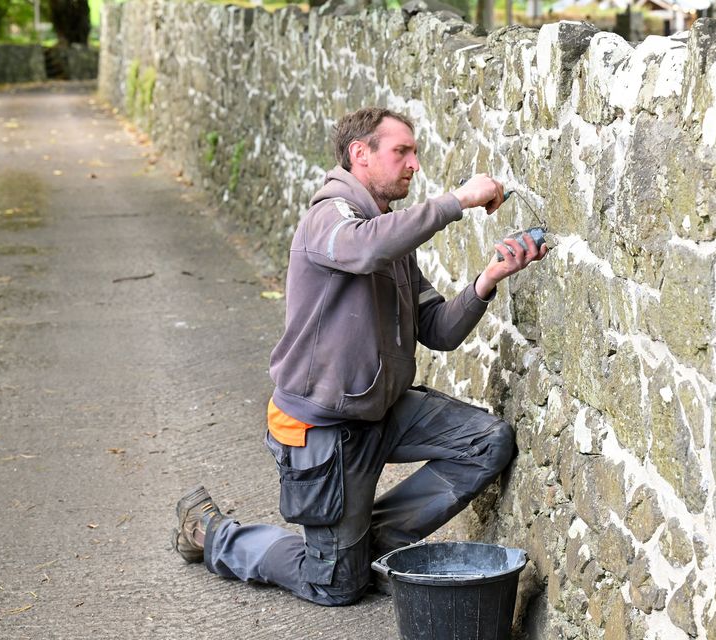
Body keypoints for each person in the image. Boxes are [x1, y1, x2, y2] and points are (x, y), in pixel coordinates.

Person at [171, 107, 548, 606]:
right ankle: (212, 534)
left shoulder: (390, 234)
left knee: (487, 442)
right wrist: (457, 201)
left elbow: (438, 330)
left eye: (414, 152)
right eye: (401, 152)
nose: (413, 163)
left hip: (382, 411)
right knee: (334, 585)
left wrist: (488, 279)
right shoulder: (329, 216)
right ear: (359, 155)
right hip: (325, 431)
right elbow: (363, 250)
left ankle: (368, 546)